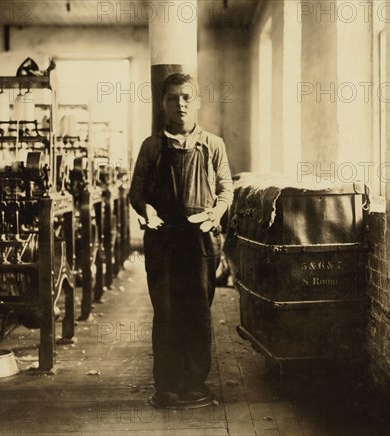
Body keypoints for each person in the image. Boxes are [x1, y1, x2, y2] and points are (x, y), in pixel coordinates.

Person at [129, 73, 233, 408]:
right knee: (167, 311)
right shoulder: (152, 146)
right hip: (162, 240)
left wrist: (215, 214)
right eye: (172, 98)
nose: (180, 104)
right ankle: (167, 385)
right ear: (163, 104)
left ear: (197, 102)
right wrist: (147, 212)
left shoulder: (213, 144)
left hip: (200, 241)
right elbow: (137, 192)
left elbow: (225, 189)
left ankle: (194, 384)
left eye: (186, 97)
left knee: (198, 312)